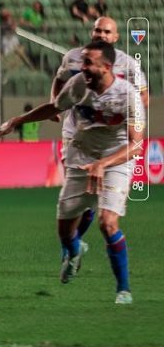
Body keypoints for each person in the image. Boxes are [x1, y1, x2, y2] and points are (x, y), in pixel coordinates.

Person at [0, 41, 143, 304]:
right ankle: (74, 252)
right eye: (82, 61)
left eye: (88, 63)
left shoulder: (128, 95)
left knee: (108, 223)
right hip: (81, 157)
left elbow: (137, 144)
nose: (82, 67)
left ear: (106, 67)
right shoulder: (78, 85)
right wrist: (16, 121)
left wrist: (104, 164)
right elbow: (54, 107)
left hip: (116, 161)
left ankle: (124, 290)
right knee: (64, 230)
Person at [50, 17, 149, 261]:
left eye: (107, 31)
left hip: (110, 134)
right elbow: (59, 82)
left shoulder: (128, 65)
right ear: (91, 32)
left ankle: (73, 246)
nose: (101, 34)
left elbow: (143, 97)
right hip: (78, 130)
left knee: (95, 188)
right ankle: (73, 245)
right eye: (97, 30)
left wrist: (122, 115)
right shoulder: (73, 57)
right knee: (78, 182)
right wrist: (57, 106)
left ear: (115, 37)